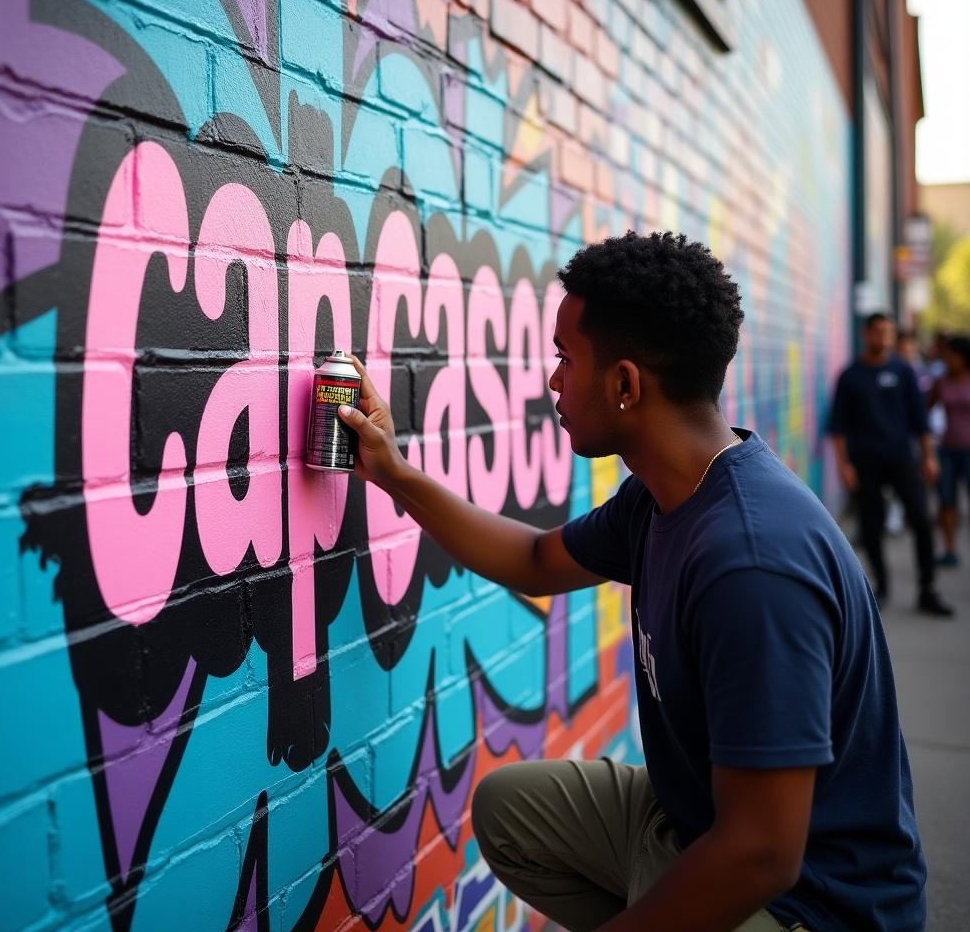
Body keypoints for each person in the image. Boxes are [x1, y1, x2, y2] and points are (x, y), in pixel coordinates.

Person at [337, 232, 927, 932]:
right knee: (511, 813)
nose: (553, 380)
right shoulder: (666, 495)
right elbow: (532, 560)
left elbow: (763, 854)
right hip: (700, 825)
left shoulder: (752, 565)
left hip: (814, 904)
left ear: (624, 384)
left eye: (564, 358)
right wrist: (394, 473)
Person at [828, 312, 953, 616]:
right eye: (879, 332)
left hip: (901, 459)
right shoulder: (851, 375)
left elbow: (920, 421)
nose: (884, 338)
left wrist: (929, 457)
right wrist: (844, 465)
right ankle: (880, 586)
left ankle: (928, 589)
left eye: (889, 332)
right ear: (866, 335)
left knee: (921, 521)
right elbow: (838, 427)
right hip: (866, 462)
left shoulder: (904, 371)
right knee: (872, 526)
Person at [927, 334, 970, 566]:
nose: (948, 361)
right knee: (946, 501)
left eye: (952, 356)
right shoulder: (941, 382)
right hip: (947, 450)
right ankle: (950, 549)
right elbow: (925, 409)